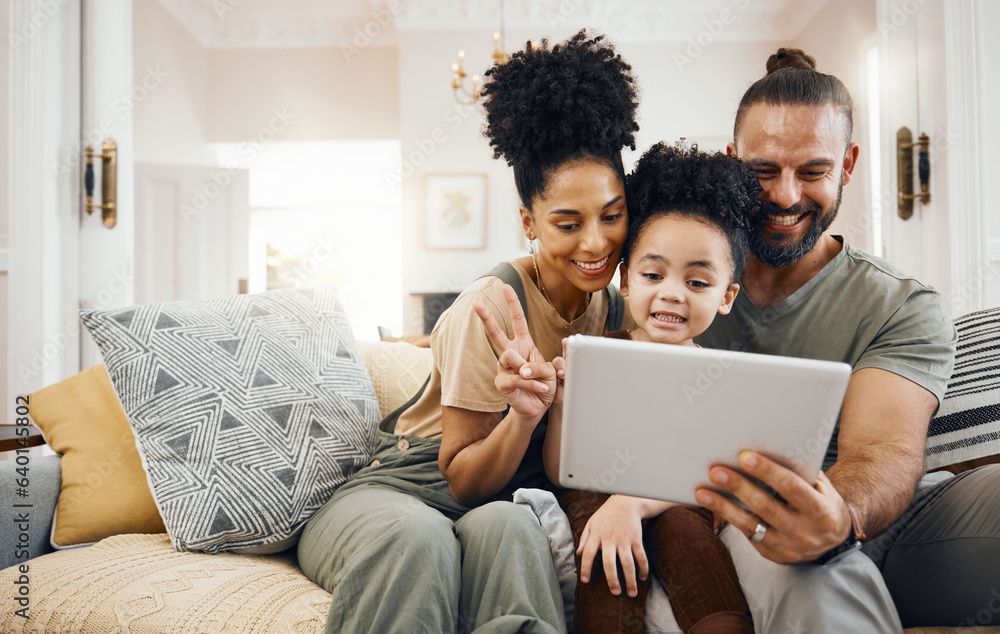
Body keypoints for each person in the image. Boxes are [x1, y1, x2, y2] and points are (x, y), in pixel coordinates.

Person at [297, 30, 640, 634]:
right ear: (529, 221)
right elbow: (460, 478)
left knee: (515, 530)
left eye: (612, 215)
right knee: (419, 538)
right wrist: (524, 416)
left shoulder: (611, 309)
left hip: (497, 503)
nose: (596, 242)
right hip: (404, 493)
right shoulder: (489, 307)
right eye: (567, 223)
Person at [692, 47, 1000, 631]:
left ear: (849, 165)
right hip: (755, 525)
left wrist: (837, 513)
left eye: (813, 172)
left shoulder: (900, 303)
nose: (785, 196)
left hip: (886, 521)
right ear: (732, 162)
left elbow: (883, 450)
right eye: (762, 172)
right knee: (801, 560)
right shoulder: (682, 280)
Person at [544, 143, 755, 633]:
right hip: (596, 505)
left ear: (727, 297)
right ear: (625, 280)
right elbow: (563, 471)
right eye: (653, 274)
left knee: (685, 524)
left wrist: (634, 503)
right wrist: (560, 406)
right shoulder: (596, 354)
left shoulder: (720, 376)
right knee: (600, 539)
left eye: (698, 282)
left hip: (678, 504)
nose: (671, 293)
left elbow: (710, 472)